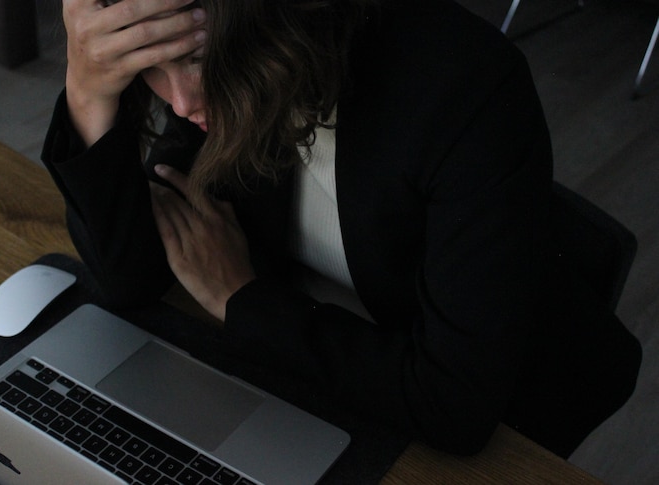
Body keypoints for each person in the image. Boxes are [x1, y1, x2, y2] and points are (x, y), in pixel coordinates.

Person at [42, 0, 641, 459]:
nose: (179, 104)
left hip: (497, 414)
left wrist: (240, 299)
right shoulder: (211, 70)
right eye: (149, 68)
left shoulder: (464, 87)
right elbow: (131, 277)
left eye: (196, 61)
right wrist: (88, 90)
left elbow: (454, 409)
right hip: (326, 371)